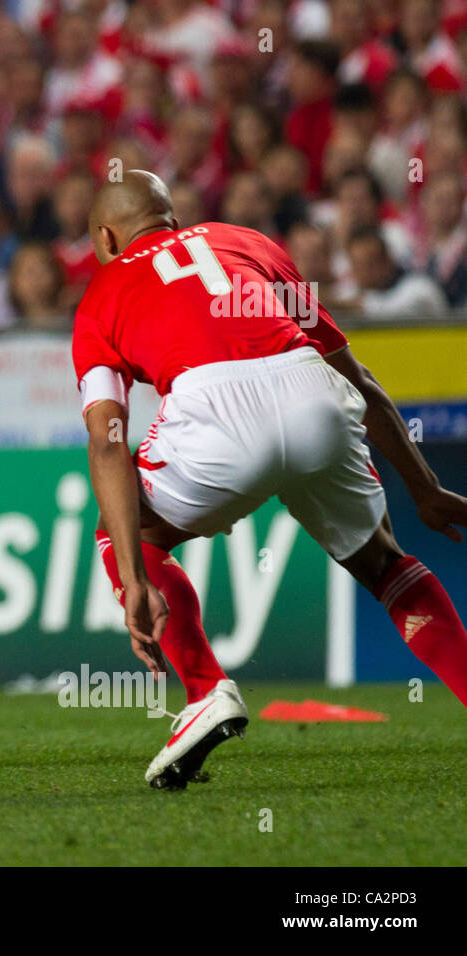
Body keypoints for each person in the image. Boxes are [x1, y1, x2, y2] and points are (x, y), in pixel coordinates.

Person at [73, 169, 467, 790]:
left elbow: (106, 439)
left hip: (213, 415)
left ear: (104, 236)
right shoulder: (246, 242)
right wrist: (424, 488)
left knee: (125, 530)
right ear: (171, 216)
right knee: (385, 565)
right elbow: (358, 379)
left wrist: (132, 574)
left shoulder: (101, 292)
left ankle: (206, 691)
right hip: (308, 387)